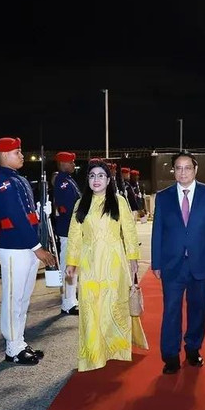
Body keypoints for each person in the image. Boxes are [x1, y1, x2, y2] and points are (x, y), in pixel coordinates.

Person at [65, 159, 148, 371]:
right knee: (91, 307)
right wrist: (71, 262)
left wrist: (133, 258)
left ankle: (116, 349)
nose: (96, 180)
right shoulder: (81, 203)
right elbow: (74, 235)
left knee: (114, 305)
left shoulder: (119, 201)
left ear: (108, 180)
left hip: (115, 263)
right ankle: (94, 353)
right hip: (90, 263)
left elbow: (129, 231)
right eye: (92, 176)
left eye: (101, 176)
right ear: (88, 179)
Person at [151, 151, 205, 374]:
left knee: (198, 309)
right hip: (172, 264)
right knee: (171, 311)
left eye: (187, 168)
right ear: (173, 170)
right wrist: (156, 262)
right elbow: (158, 232)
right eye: (178, 168)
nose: (183, 172)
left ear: (196, 170)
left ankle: (193, 348)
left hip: (202, 262)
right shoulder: (163, 197)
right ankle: (170, 356)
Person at [0, 137, 57, 365]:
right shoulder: (5, 182)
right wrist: (37, 247)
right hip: (14, 246)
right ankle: (12, 348)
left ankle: (19, 342)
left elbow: (28, 215)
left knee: (23, 298)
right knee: (13, 299)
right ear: (4, 154)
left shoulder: (17, 179)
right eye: (17, 152)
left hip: (25, 244)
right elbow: (17, 217)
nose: (21, 156)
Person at [52, 151, 81, 316]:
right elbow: (70, 207)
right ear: (63, 164)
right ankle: (67, 303)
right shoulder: (62, 181)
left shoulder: (68, 179)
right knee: (67, 266)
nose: (73, 165)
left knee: (73, 266)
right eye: (71, 162)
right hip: (68, 229)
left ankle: (72, 300)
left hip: (72, 229)